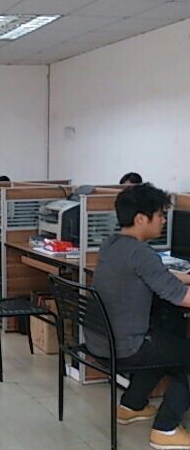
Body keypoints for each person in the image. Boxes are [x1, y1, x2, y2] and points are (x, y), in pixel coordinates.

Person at [86, 183, 190, 449]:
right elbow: (182, 297)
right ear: (141, 219)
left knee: (169, 335)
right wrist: (180, 283)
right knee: (174, 345)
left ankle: (131, 406)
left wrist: (182, 277)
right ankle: (165, 429)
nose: (164, 220)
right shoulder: (141, 253)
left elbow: (152, 275)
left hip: (100, 340)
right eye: (160, 215)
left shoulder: (112, 244)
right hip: (126, 346)